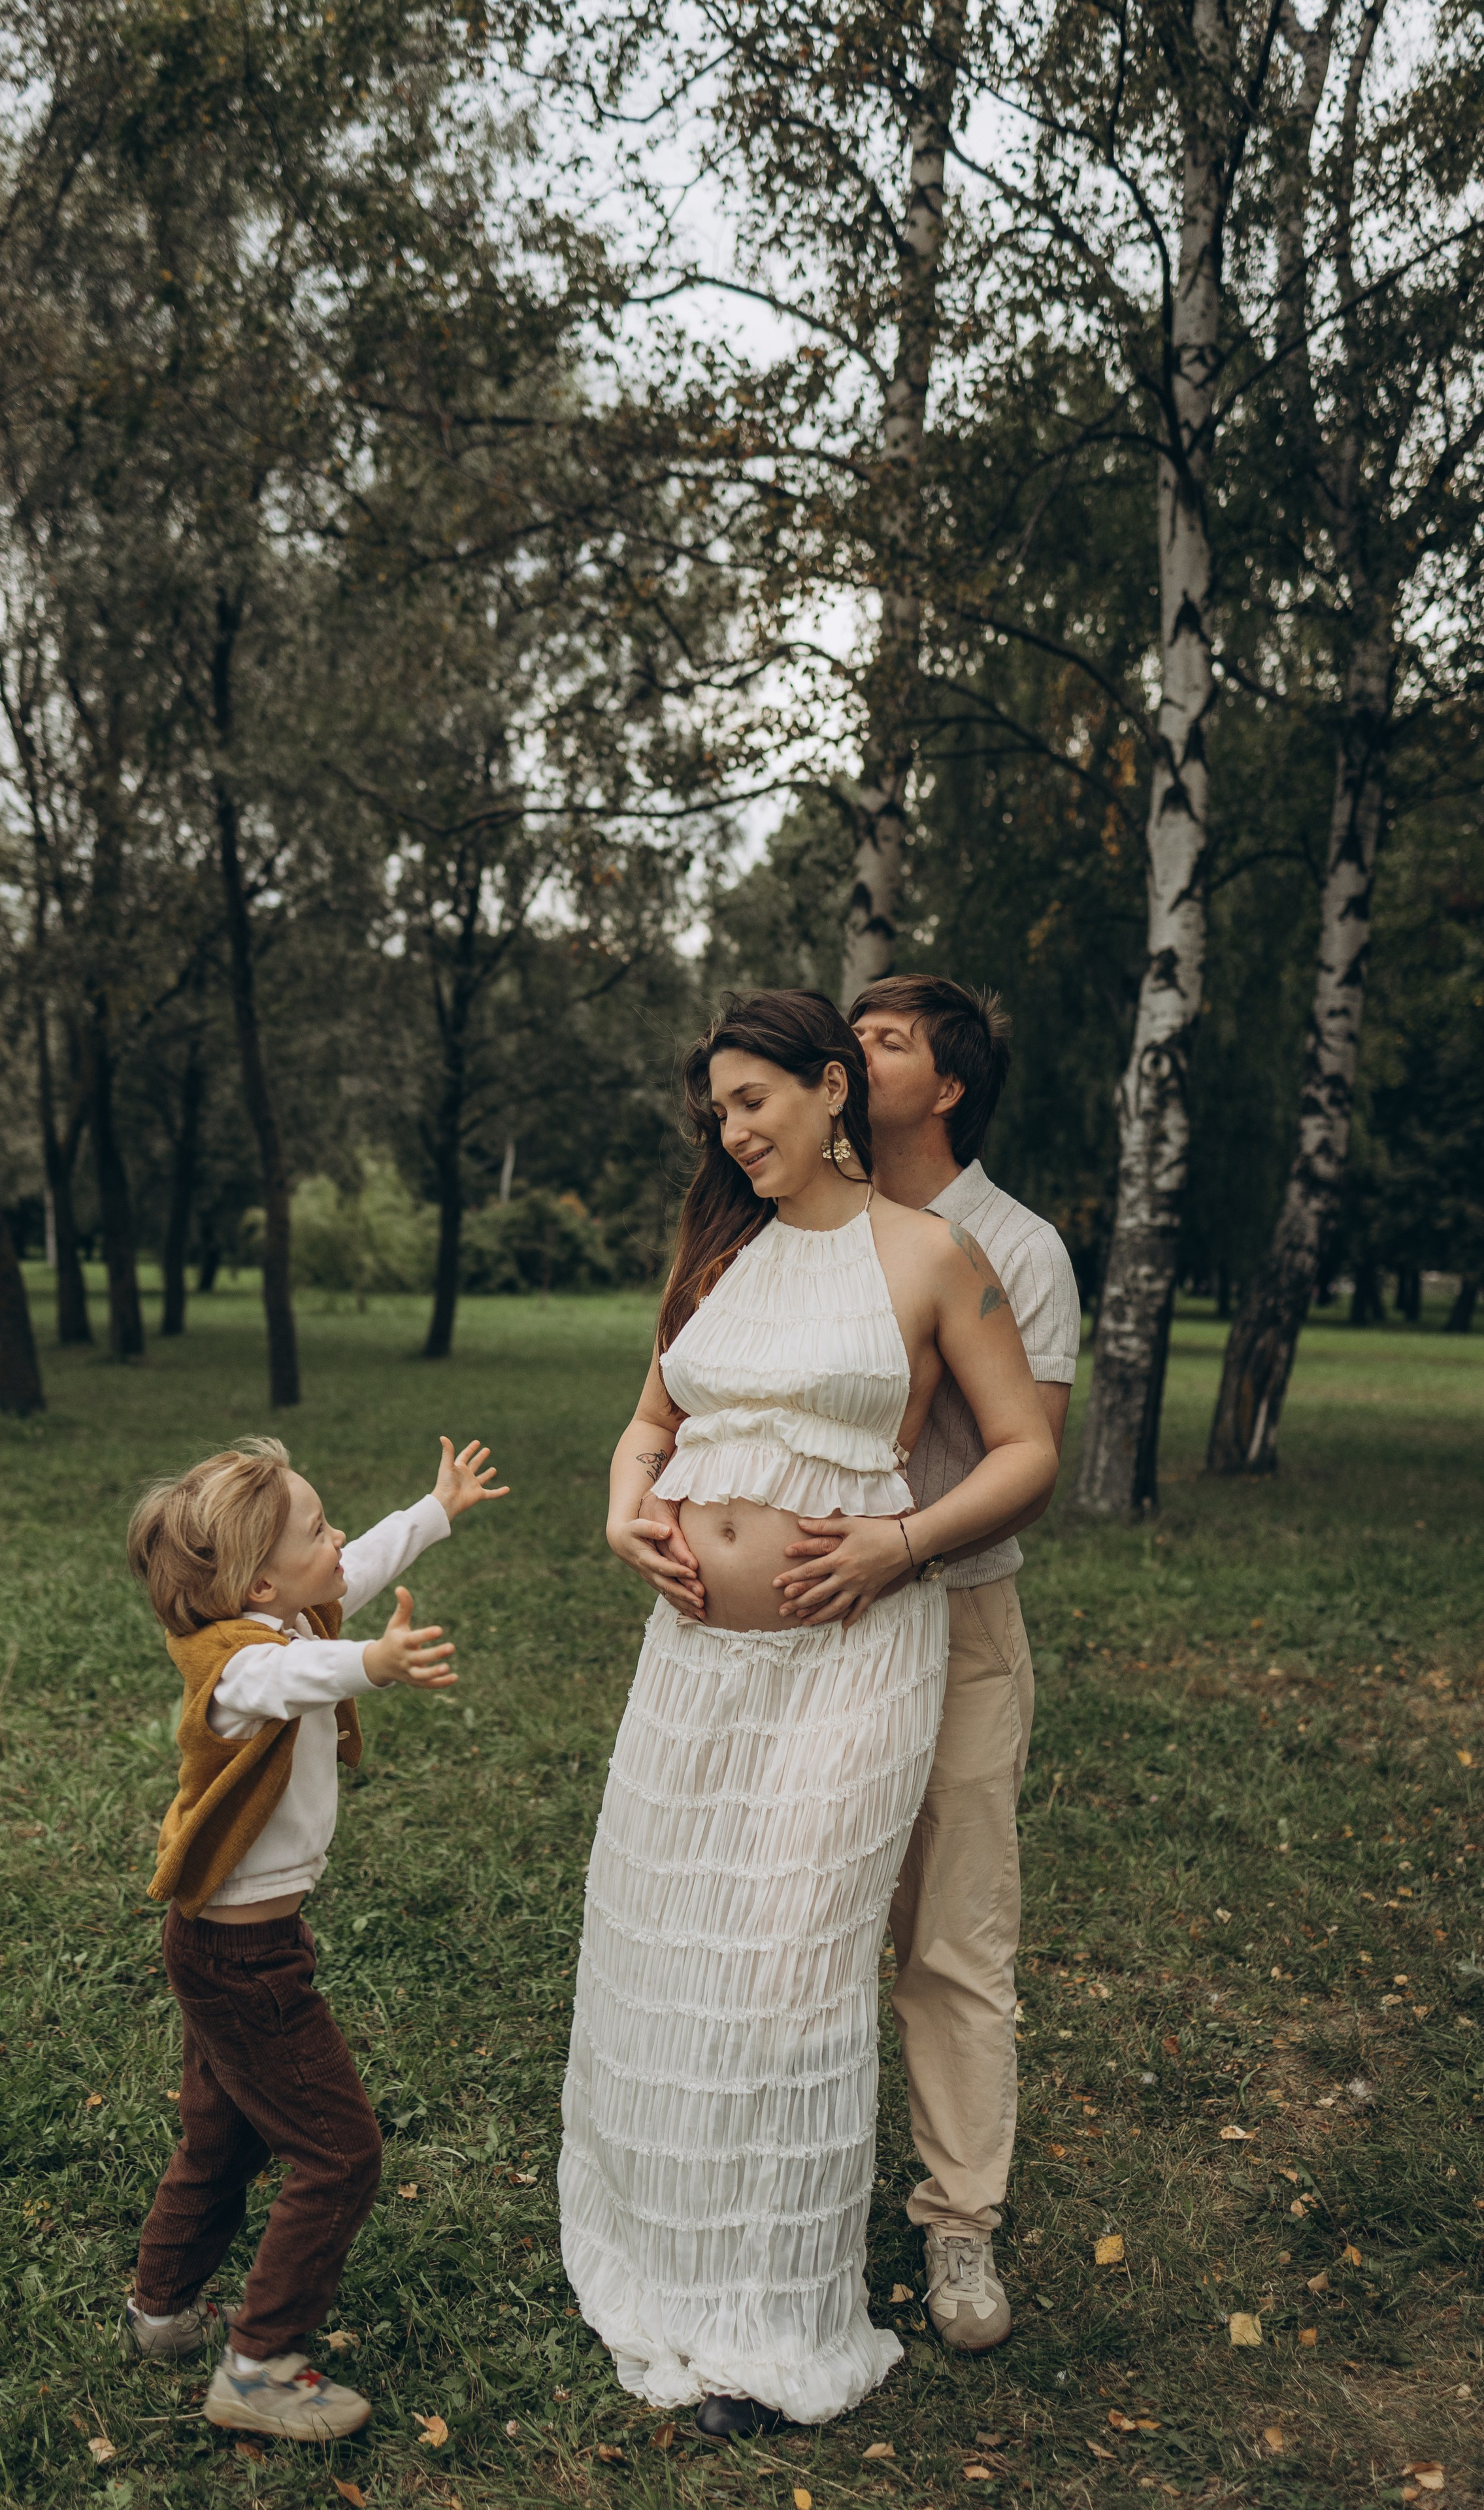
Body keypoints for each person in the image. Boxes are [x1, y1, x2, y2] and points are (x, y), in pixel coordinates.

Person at [559, 989, 1057, 2437]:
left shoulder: (932, 1256)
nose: (732, 1131)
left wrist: (900, 1544)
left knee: (786, 1977)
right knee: (668, 1963)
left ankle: (769, 2325)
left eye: (752, 1101)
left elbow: (1025, 1449)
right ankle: (668, 2271)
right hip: (694, 1673)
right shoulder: (719, 1251)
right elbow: (649, 1422)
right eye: (715, 1112)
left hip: (855, 1661)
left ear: (830, 1090)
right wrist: (618, 1513)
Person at [123, 1431, 508, 2441]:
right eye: (314, 1526)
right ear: (260, 1578)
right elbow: (305, 1678)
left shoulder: (282, 1607)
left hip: (222, 1948)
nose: (335, 1537)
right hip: (245, 1964)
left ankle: (161, 2312)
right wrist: (375, 1664)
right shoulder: (243, 1667)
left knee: (223, 2133)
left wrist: (436, 1510)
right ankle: (258, 2365)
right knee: (340, 2154)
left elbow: (361, 1562)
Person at [818, 973, 1078, 2355]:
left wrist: (900, 1543)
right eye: (848, 1038)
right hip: (813, 1627)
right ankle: (791, 2201)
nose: (854, 1058)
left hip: (959, 1620)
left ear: (948, 1083)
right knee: (803, 1920)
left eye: (884, 1041)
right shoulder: (811, 1215)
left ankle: (956, 2223)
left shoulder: (1015, 1246)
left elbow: (1028, 1467)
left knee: (952, 1937)